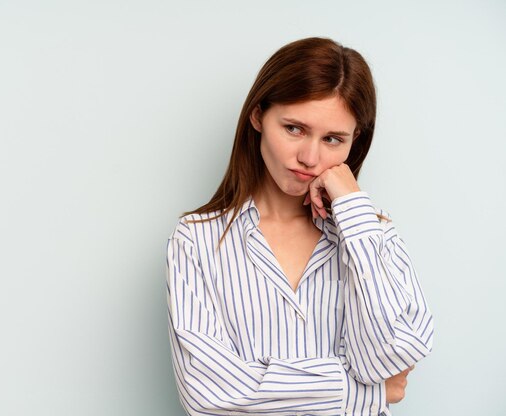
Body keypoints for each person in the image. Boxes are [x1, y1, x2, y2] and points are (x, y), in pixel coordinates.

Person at [165, 37, 433, 416]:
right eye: (294, 128)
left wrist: (353, 212)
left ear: (355, 141)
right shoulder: (196, 239)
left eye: (333, 139)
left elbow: (389, 361)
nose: (309, 157)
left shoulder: (374, 236)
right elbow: (208, 394)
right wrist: (358, 391)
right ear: (258, 116)